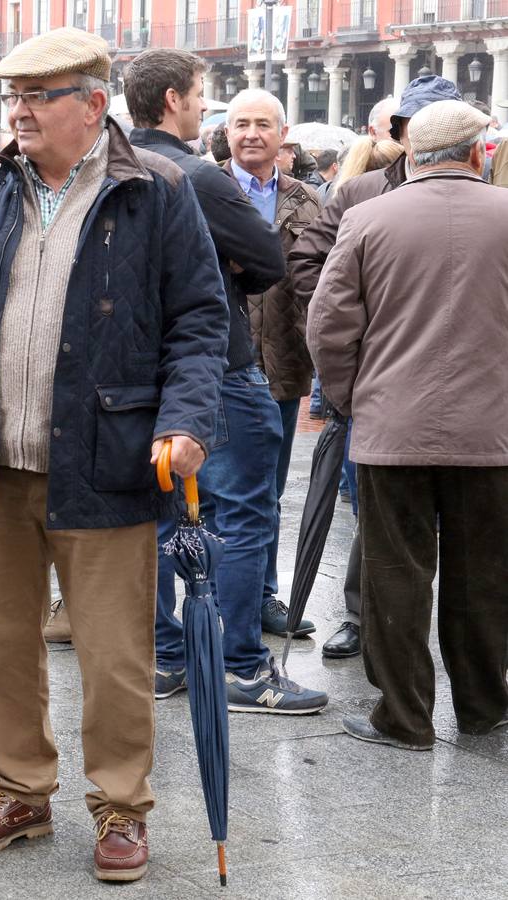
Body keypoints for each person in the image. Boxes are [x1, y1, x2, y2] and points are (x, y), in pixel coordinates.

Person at [0, 31, 229, 878]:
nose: (19, 110)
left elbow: (201, 322)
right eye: (12, 96)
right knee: (6, 644)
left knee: (115, 652)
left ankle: (122, 809)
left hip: (110, 456)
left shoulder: (156, 192)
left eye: (40, 95)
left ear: (93, 104)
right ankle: (19, 791)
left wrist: (187, 420)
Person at [308, 99, 508, 751]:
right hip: (492, 432)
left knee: (395, 568)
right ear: (477, 153)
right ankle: (482, 705)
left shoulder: (367, 218)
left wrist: (348, 399)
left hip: (391, 426)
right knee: (483, 572)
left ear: (410, 153)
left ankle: (405, 716)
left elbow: (329, 327)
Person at [125, 59, 323, 713]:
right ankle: (242, 665)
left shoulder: (110, 166)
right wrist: (225, 269)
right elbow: (269, 260)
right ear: (173, 99)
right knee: (243, 511)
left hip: (138, 366)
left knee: (157, 514)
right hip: (217, 361)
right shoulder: (196, 175)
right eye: (205, 99)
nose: (204, 111)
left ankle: (167, 656)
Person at [289, 74, 463, 659]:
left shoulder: (485, 193)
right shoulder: (361, 193)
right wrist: (358, 351)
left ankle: (470, 646)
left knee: (474, 524)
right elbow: (309, 267)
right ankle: (364, 617)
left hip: (474, 384)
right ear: (401, 131)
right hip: (384, 380)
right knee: (377, 514)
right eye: (420, 123)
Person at [223, 89, 323, 643]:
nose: (252, 134)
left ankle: (262, 594)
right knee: (216, 487)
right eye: (241, 124)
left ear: (282, 135)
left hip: (282, 364)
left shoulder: (308, 200)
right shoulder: (205, 187)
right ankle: (215, 590)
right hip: (219, 363)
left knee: (268, 487)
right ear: (227, 133)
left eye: (263, 124)